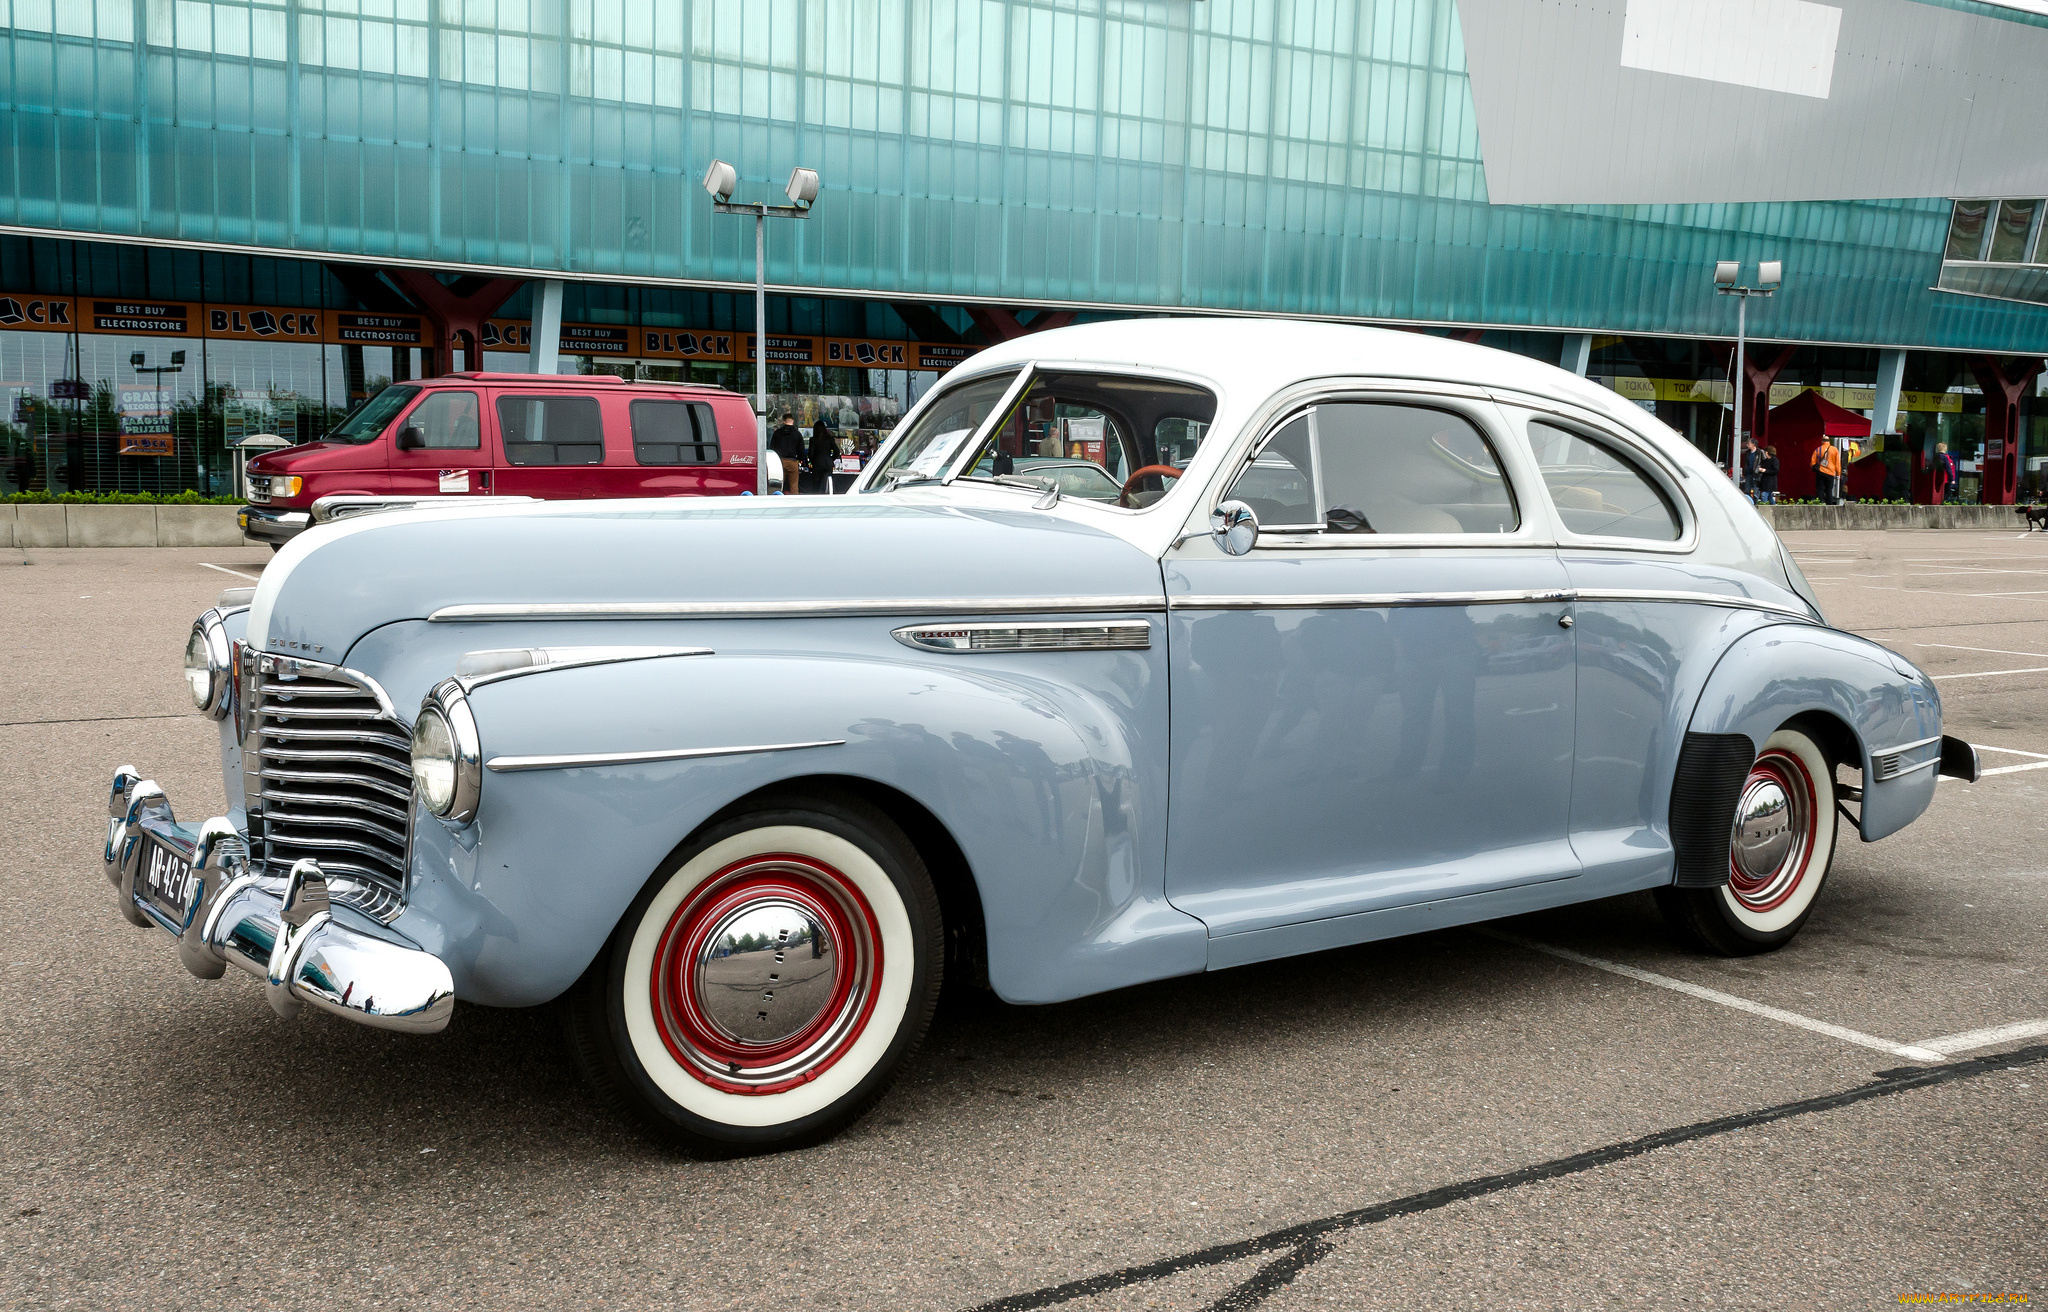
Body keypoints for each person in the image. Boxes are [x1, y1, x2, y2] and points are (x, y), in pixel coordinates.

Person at [768, 410, 805, 494]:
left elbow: (772, 448)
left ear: (784, 421)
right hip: (793, 461)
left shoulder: (777, 433)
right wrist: (801, 460)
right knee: (794, 485)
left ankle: (778, 499)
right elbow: (801, 450)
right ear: (793, 421)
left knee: (779, 484)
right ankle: (794, 503)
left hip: (780, 462)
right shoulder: (797, 434)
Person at [807, 411, 838, 494]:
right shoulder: (829, 439)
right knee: (827, 483)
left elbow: (810, 454)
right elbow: (837, 451)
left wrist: (813, 462)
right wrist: (831, 459)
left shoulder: (813, 440)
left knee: (816, 486)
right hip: (828, 463)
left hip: (817, 463)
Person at [1811, 437, 1843, 505]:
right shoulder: (1834, 450)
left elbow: (1812, 462)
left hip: (1820, 472)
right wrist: (1838, 474)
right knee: (1829, 490)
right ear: (1829, 441)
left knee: (1820, 489)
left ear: (1822, 441)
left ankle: (1819, 503)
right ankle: (1829, 505)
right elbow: (1837, 463)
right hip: (1830, 473)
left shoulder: (1818, 449)